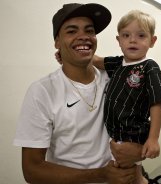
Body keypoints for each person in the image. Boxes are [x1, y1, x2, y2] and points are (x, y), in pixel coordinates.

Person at [13, 3, 142, 184]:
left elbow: (142, 118)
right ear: (57, 42)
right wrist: (102, 175)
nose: (83, 37)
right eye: (72, 31)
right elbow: (32, 170)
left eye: (89, 31)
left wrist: (139, 151)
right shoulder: (42, 91)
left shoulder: (115, 78)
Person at [93, 10, 161, 184]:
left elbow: (157, 103)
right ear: (119, 40)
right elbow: (96, 61)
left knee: (130, 177)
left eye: (141, 35)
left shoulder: (149, 67)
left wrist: (153, 138)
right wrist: (68, 55)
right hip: (114, 134)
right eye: (126, 35)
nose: (132, 40)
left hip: (133, 133)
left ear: (152, 41)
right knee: (122, 175)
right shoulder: (118, 63)